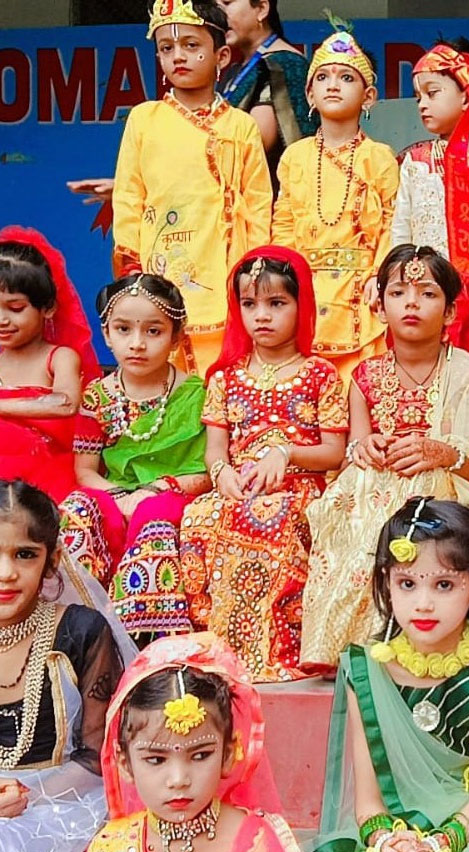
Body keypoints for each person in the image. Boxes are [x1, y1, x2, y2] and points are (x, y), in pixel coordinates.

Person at [300, 245, 469, 671]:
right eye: (398, 293)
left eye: (427, 294)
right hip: (373, 488)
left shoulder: (464, 371)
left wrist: (440, 452)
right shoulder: (365, 375)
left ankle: (394, 638)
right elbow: (354, 448)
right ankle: (337, 646)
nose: (411, 303)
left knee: (415, 492)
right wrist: (366, 449)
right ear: (380, 305)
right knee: (348, 501)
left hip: (442, 489)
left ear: (450, 312)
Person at [312, 498, 469, 852]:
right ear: (387, 583)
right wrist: (385, 841)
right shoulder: (365, 670)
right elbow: (368, 804)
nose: (423, 603)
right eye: (407, 583)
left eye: (444, 585)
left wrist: (437, 845)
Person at [179, 246, 347, 682]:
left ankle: (272, 650)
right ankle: (219, 645)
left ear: (301, 304)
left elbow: (335, 453)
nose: (262, 316)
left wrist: (287, 453)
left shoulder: (319, 374)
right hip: (238, 487)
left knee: (272, 515)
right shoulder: (225, 377)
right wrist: (222, 475)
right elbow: (216, 449)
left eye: (277, 303)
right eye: (250, 304)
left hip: (300, 490)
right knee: (201, 514)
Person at [112, 0, 272, 375]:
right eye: (167, 48)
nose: (178, 56)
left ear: (221, 55)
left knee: (224, 370)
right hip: (161, 262)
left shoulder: (240, 126)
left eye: (191, 45)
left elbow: (259, 201)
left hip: (226, 265)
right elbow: (129, 195)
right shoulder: (145, 119)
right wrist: (132, 265)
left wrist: (255, 266)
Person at [58, 274, 208, 638]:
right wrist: (122, 497)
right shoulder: (96, 396)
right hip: (114, 493)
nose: (137, 344)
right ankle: (73, 620)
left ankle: (145, 633)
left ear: (176, 337)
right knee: (76, 508)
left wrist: (153, 490)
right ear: (107, 334)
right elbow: (85, 472)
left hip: (174, 493)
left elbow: (208, 471)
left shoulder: (197, 393)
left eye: (153, 332)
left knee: (153, 513)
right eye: (123, 330)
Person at [0, 478, 132, 852]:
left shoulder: (80, 631)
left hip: (60, 806)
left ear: (52, 560)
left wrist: (25, 795)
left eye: (25, 554)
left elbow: (99, 755)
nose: (6, 572)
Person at [87, 631, 298, 852]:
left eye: (200, 756)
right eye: (156, 759)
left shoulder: (259, 841)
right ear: (124, 763)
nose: (179, 780)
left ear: (228, 754)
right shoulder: (111, 845)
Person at [271, 24, 398, 388]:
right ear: (309, 93)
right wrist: (284, 282)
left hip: (362, 295)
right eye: (323, 77)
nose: (333, 84)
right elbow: (283, 224)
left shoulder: (379, 157)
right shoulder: (295, 157)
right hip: (305, 288)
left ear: (368, 96)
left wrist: (379, 275)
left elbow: (392, 225)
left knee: (360, 388)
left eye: (346, 77)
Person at [391, 39, 469, 355]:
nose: (422, 104)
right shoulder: (416, 161)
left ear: (466, 94)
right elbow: (401, 229)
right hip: (422, 295)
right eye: (418, 97)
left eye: (432, 93)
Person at [0, 227, 101, 503]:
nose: (2, 319)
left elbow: (66, 403)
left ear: (49, 308)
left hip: (43, 475)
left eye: (16, 308)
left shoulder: (59, 357)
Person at [218, 0, 318, 188]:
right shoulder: (236, 69)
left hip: (271, 205)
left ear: (262, 9)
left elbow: (255, 142)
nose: (219, 13)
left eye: (227, 2)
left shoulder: (283, 65)